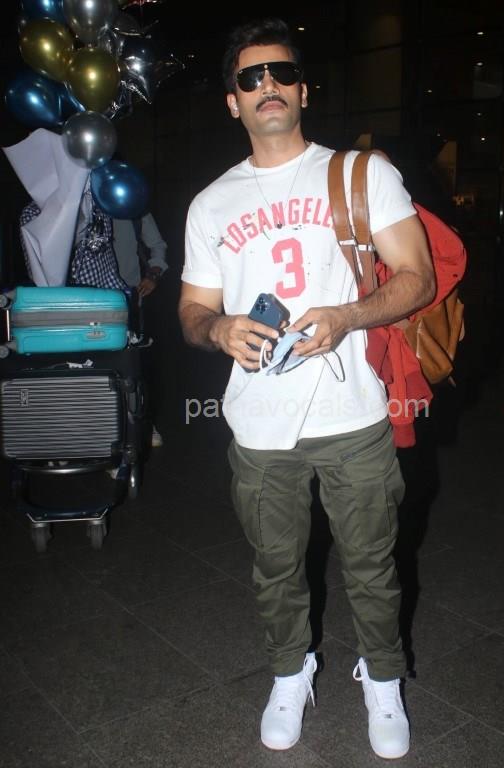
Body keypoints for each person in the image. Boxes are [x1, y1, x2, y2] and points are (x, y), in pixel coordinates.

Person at [178, 17, 434, 760]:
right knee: (276, 568)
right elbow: (191, 310)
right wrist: (219, 328)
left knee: (372, 565)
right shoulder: (210, 203)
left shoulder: (360, 175)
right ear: (233, 101)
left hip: (353, 414)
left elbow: (416, 278)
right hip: (259, 422)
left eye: (281, 73)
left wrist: (348, 315)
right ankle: (291, 674)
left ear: (303, 90)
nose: (268, 86)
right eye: (250, 78)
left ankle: (383, 680)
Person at [113, 212, 168, 447]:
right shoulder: (76, 202)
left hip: (129, 299)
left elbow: (157, 245)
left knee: (134, 363)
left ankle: (142, 423)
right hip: (85, 300)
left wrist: (154, 273)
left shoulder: (133, 206)